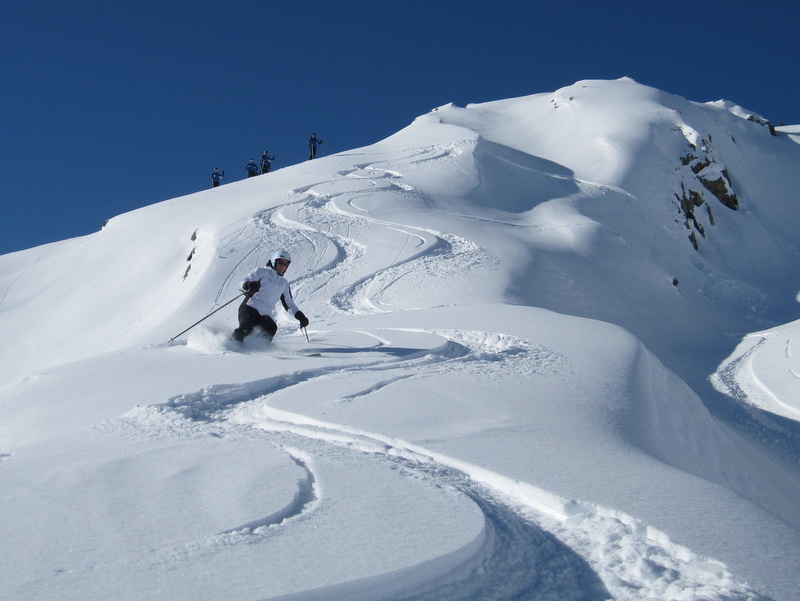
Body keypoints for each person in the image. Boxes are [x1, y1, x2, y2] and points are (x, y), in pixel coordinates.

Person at [232, 250, 310, 343]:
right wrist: (249, 285)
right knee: (246, 329)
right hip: (250, 308)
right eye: (280, 262)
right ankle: (230, 345)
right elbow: (242, 283)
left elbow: (289, 304)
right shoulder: (261, 272)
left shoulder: (283, 284)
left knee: (271, 328)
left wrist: (300, 316)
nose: (282, 266)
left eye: (285, 264)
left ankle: (259, 351)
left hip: (264, 315)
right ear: (274, 262)